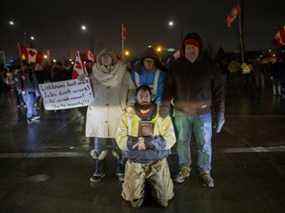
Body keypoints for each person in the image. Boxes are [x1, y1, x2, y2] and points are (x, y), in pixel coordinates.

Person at [163, 32, 225, 188]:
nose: (191, 50)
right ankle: (184, 168)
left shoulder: (209, 65)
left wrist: (220, 113)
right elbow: (168, 88)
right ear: (184, 49)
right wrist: (164, 107)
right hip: (181, 113)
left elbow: (219, 91)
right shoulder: (176, 66)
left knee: (204, 143)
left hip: (203, 114)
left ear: (199, 49)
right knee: (182, 142)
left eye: (194, 48)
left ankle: (205, 171)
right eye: (188, 47)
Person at [116, 85, 176, 208]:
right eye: (141, 96)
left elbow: (171, 138)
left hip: (157, 160)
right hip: (135, 160)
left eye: (147, 96)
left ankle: (152, 184)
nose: (144, 98)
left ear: (151, 98)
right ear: (136, 98)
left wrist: (152, 143)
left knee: (164, 200)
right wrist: (134, 143)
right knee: (134, 201)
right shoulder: (127, 115)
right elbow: (120, 137)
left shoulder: (162, 114)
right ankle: (142, 185)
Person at [85, 49, 136, 183]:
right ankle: (99, 169)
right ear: (99, 59)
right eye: (103, 56)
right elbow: (84, 90)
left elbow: (132, 90)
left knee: (119, 143)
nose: (105, 58)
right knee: (99, 144)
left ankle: (120, 168)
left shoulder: (124, 73)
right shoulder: (93, 74)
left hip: (118, 112)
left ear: (113, 58)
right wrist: (80, 81)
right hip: (99, 113)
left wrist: (130, 104)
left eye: (108, 55)